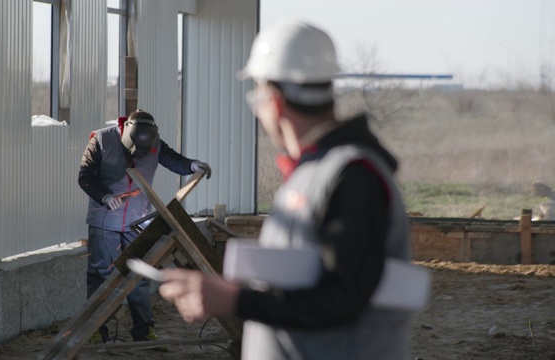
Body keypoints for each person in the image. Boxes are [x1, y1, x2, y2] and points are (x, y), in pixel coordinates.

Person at [158, 19, 413, 359]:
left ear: (274, 101)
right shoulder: (317, 172)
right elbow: (310, 280)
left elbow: (343, 297)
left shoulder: (351, 175)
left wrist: (233, 299)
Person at [78, 109, 211, 343]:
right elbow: (85, 176)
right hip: (104, 221)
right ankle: (98, 331)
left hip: (136, 221)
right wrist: (105, 196)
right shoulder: (101, 139)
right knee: (100, 275)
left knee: (140, 275)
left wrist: (193, 165)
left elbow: (174, 160)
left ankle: (144, 331)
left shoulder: (154, 142)